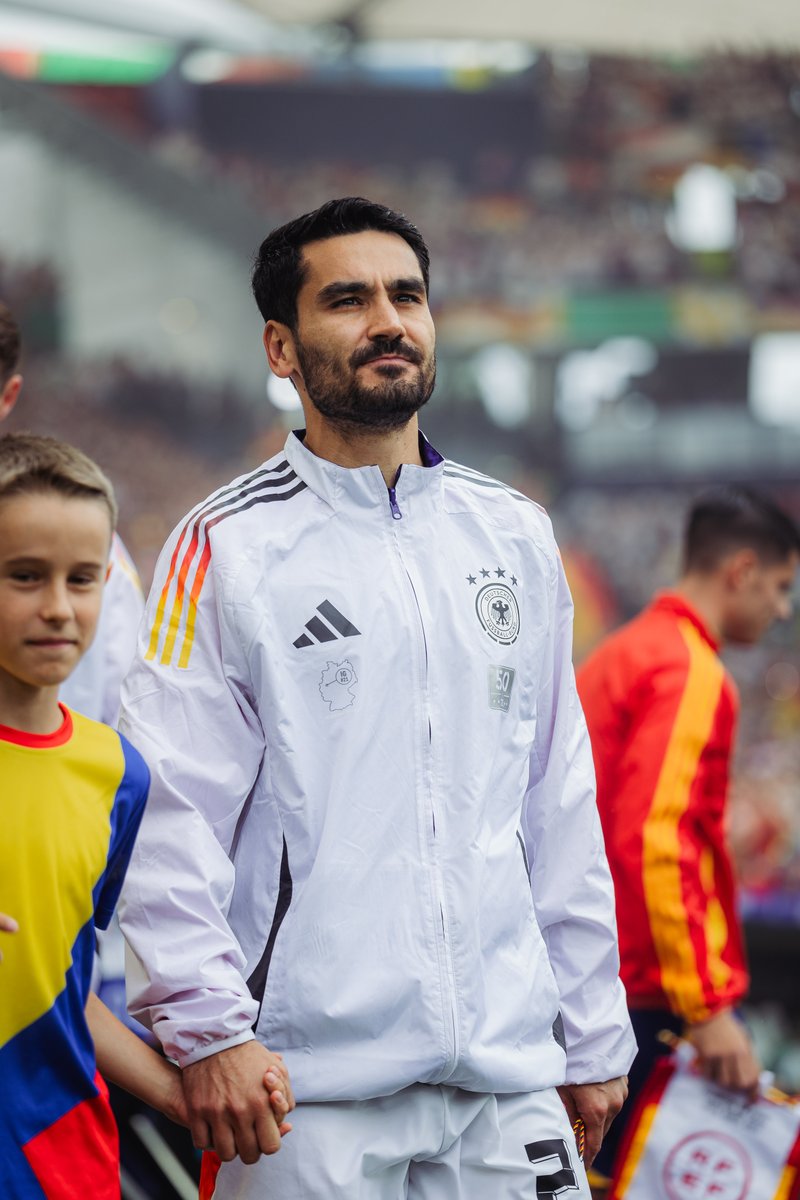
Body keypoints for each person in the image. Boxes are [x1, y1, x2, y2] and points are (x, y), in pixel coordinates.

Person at [118, 196, 636, 1200]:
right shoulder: (220, 545)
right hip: (303, 1091)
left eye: (407, 295)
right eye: (346, 301)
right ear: (281, 346)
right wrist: (211, 1031)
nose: (387, 321)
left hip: (507, 1079)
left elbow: (554, 802)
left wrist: (592, 1030)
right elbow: (165, 809)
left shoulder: (514, 533)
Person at [576, 485, 800, 1190]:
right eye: (782, 587)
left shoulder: (630, 650)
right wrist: (706, 1009)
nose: (784, 609)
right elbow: (658, 841)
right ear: (740, 571)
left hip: (598, 977)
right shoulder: (689, 672)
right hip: (639, 992)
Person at [0, 300, 143, 727]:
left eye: (80, 581)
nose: (58, 607)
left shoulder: (89, 546)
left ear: (8, 397)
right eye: (26, 576)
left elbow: (123, 723)